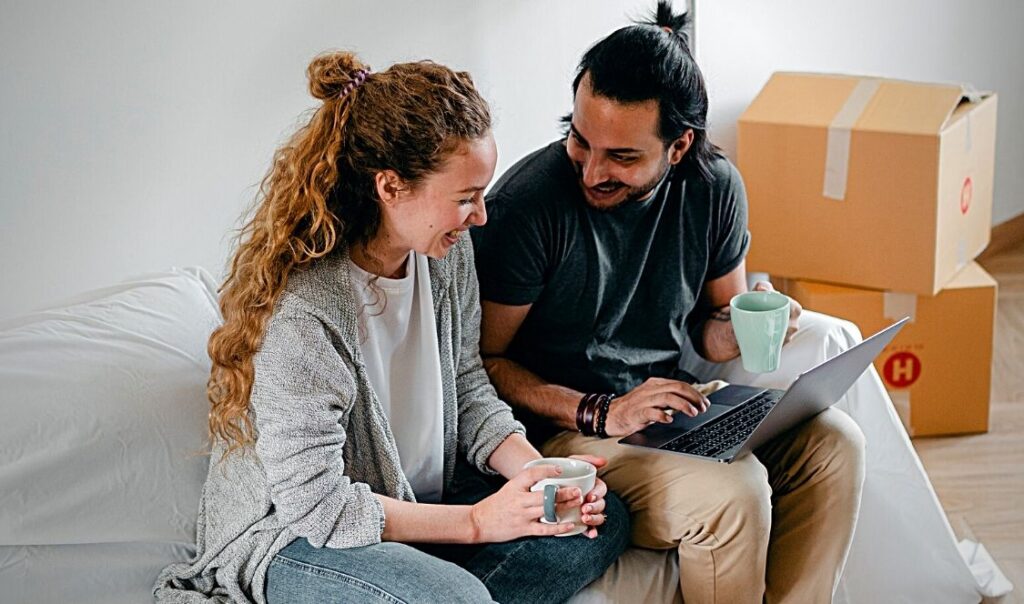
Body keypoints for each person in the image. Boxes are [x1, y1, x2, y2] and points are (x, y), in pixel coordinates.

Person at [154, 51, 629, 604]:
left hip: (415, 508)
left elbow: (468, 385)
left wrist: (540, 475)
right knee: (458, 598)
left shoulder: (446, 255)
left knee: (599, 520)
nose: (482, 215)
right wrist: (479, 523)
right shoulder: (305, 314)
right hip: (297, 538)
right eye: (465, 198)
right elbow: (318, 506)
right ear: (391, 187)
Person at [470, 3, 866, 603]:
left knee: (836, 445)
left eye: (623, 157)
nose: (592, 171)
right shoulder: (529, 206)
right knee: (735, 493)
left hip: (668, 410)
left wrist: (743, 329)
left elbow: (713, 326)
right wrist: (604, 411)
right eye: (580, 140)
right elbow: (484, 363)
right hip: (564, 431)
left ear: (678, 146)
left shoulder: (713, 188)